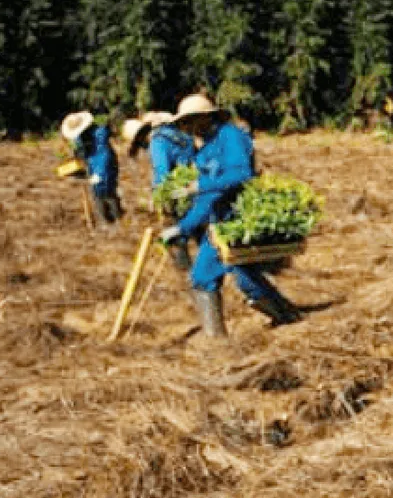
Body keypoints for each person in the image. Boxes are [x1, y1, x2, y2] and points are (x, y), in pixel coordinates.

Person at [159, 94, 301, 338]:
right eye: (185, 124)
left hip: (238, 218)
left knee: (244, 278)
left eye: (191, 122)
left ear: (205, 117)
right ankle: (217, 340)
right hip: (217, 222)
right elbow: (208, 199)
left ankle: (286, 316)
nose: (188, 128)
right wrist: (182, 228)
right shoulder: (203, 149)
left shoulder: (230, 136)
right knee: (203, 277)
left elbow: (242, 174)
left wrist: (200, 184)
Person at [123, 111, 198, 271]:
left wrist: (158, 196)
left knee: (173, 230)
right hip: (195, 185)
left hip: (177, 191)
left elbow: (162, 173)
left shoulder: (157, 141)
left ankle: (184, 268)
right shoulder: (181, 134)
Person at [60, 111, 123, 224]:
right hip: (93, 165)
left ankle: (117, 221)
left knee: (107, 191)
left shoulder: (99, 134)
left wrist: (99, 174)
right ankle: (105, 221)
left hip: (105, 166)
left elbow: (104, 156)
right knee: (96, 193)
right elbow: (80, 154)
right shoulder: (80, 138)